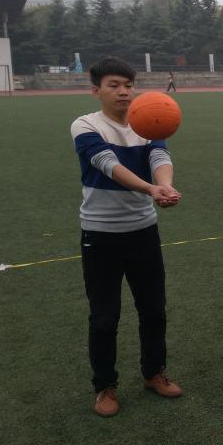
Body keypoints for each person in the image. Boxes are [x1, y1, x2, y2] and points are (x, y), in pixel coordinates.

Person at [71, 57, 184, 418]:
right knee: (104, 317)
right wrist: (151, 189)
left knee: (154, 310)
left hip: (143, 233)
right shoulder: (85, 125)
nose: (123, 92)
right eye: (114, 85)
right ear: (96, 90)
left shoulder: (148, 119)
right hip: (100, 235)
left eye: (128, 85)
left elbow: (159, 156)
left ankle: (154, 373)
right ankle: (105, 387)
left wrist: (165, 186)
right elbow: (109, 165)